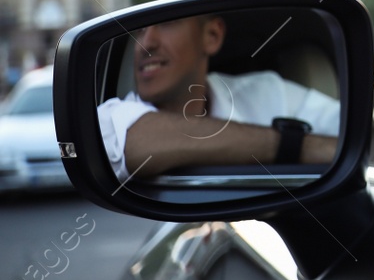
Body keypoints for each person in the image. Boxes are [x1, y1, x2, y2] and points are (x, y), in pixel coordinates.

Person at [96, 14, 340, 180]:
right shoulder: (109, 118)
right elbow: (133, 142)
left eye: (166, 23)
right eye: (139, 30)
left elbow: (353, 133)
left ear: (212, 35)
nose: (146, 44)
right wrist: (295, 145)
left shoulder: (268, 91)